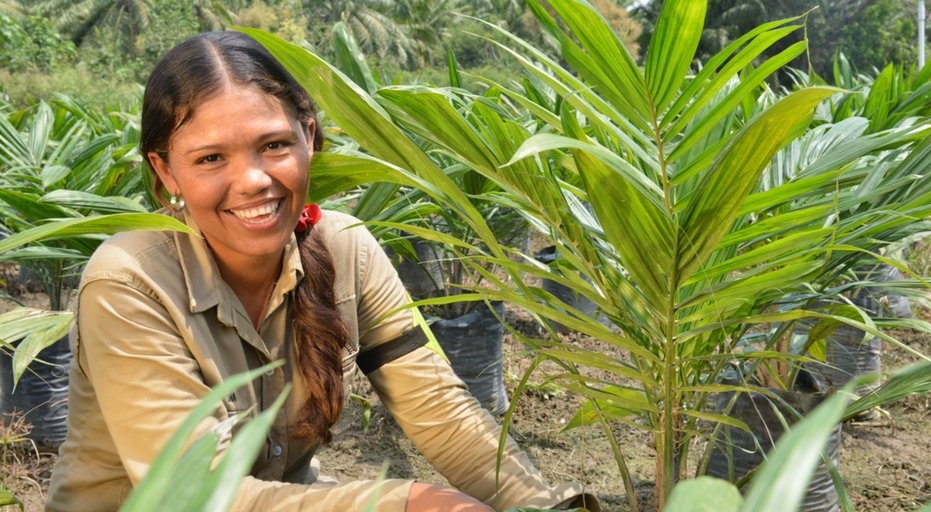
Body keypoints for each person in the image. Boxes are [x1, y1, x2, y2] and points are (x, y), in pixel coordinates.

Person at [45, 31, 597, 512]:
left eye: (274, 145)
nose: (254, 181)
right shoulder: (129, 283)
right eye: (211, 158)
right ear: (164, 172)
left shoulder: (345, 247)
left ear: (310, 137)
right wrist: (405, 502)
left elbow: (438, 412)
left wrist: (543, 505)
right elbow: (194, 495)